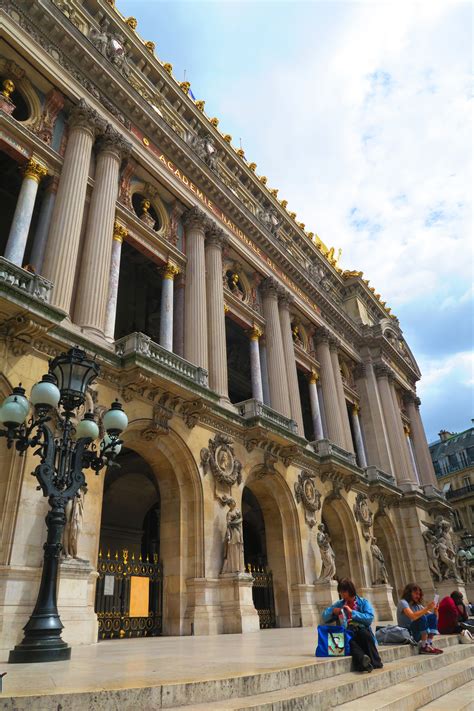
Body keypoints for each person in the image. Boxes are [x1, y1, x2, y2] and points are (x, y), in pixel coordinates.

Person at [322, 578, 383, 673]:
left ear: (349, 591)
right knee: (350, 641)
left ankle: (372, 662)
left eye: (343, 592)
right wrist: (333, 611)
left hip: (361, 630)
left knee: (364, 635)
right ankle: (363, 660)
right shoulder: (340, 603)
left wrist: (353, 613)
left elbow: (369, 618)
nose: (341, 595)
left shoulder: (363, 602)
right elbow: (324, 616)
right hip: (347, 632)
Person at [397, 583, 443, 654]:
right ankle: (424, 646)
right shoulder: (403, 603)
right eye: (416, 594)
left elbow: (435, 618)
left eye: (419, 594)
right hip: (408, 634)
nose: (418, 596)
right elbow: (413, 616)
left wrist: (436, 610)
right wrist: (427, 607)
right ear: (409, 593)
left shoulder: (417, 605)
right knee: (421, 616)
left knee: (432, 617)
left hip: (417, 633)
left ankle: (429, 643)